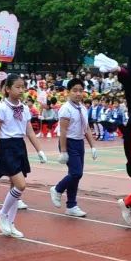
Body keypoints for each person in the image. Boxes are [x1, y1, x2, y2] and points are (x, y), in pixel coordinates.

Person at [0, 74, 47, 239]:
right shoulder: (1, 107)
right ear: (7, 89)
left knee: (13, 188)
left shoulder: (25, 108)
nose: (21, 90)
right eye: (17, 87)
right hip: (6, 146)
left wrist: (39, 150)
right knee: (21, 185)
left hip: (19, 146)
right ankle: (2, 214)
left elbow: (29, 130)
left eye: (23, 87)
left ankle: (11, 222)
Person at [50, 78, 98, 217]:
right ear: (68, 92)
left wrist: (92, 146)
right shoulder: (66, 109)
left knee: (75, 175)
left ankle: (71, 205)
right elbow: (63, 131)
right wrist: (63, 151)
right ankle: (57, 189)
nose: (78, 93)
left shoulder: (83, 108)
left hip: (79, 143)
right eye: (75, 90)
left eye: (80, 91)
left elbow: (86, 128)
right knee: (76, 173)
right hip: (68, 142)